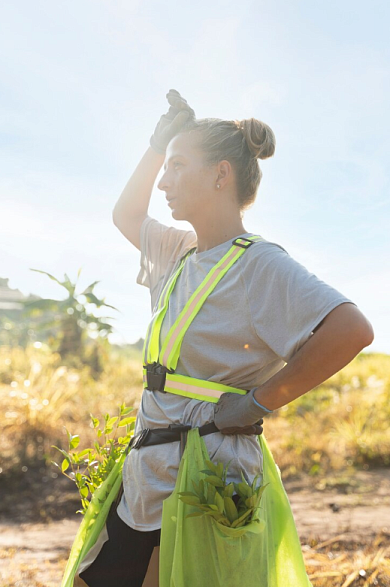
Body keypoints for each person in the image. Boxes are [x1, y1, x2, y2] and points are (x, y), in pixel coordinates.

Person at [79, 89, 374, 587]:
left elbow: (352, 330)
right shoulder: (178, 251)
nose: (164, 182)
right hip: (147, 472)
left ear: (221, 174)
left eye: (177, 166)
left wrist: (260, 401)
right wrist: (159, 143)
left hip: (202, 479)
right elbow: (125, 214)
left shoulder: (259, 264)